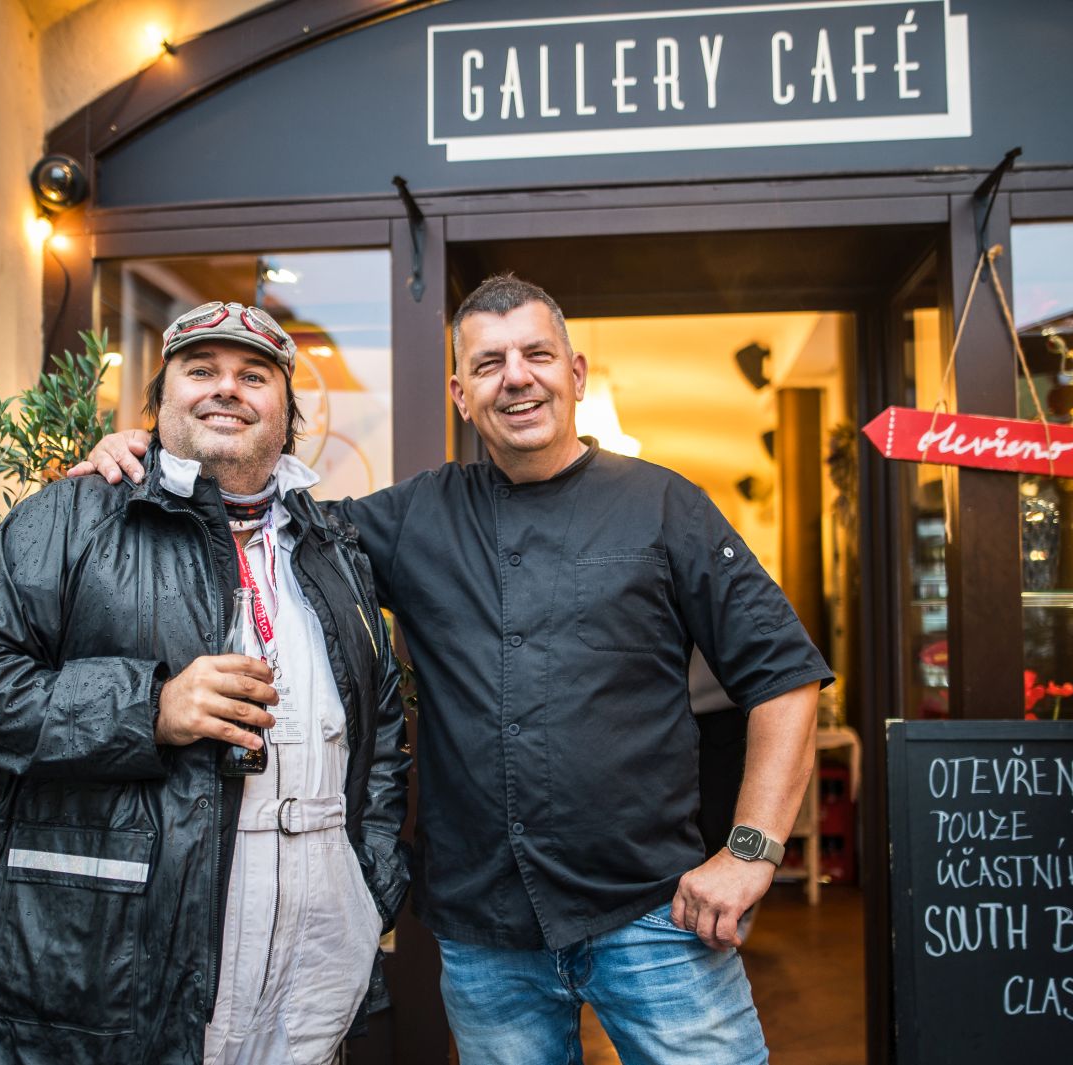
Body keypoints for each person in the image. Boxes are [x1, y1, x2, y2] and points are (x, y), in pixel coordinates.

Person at [76, 275, 833, 1063]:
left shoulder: (665, 505)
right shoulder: (415, 516)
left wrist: (751, 851)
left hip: (652, 915)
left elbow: (782, 674)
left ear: (576, 374)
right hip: (486, 935)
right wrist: (151, 456)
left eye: (537, 355)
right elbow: (265, 523)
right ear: (461, 394)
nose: (516, 377)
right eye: (488, 363)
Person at [0, 301, 410, 1065]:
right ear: (159, 402)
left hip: (313, 966)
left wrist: (372, 881)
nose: (226, 387)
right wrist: (148, 708)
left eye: (254, 375)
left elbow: (381, 730)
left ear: (287, 414)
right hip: (120, 971)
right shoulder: (75, 515)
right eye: (200, 370)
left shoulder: (331, 544)